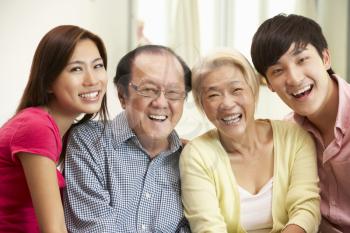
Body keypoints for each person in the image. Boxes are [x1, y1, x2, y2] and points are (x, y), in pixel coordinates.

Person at [179, 49, 320, 233]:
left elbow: (306, 209)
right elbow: (208, 228)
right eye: (213, 95)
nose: (227, 104)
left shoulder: (295, 138)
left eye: (236, 90)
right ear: (201, 105)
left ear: (253, 91)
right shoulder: (197, 155)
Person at [63, 44, 192, 232]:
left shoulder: (191, 160)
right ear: (123, 96)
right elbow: (95, 227)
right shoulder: (89, 141)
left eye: (173, 93)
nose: (161, 103)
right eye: (148, 90)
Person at [0, 25, 108, 233]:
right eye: (76, 69)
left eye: (97, 66)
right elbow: (54, 229)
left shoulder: (63, 130)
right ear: (48, 81)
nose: (92, 80)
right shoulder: (36, 127)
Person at [250, 13, 350, 233]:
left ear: (325, 58)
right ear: (269, 84)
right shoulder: (288, 134)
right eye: (278, 71)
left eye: (302, 59)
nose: (294, 78)